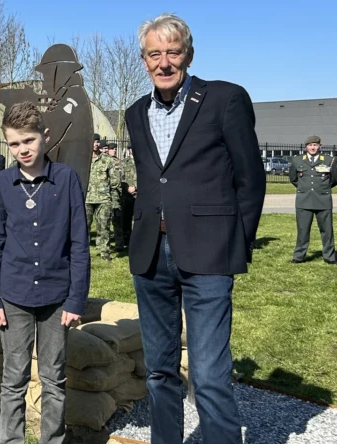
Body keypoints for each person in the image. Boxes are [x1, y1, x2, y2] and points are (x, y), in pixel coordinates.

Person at [125, 14, 265, 443]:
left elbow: (251, 178)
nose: (163, 62)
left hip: (208, 254)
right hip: (151, 257)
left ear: (189, 53)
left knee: (208, 373)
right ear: (144, 59)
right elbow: (155, 179)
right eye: (154, 53)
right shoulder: (135, 113)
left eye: (173, 52)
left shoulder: (225, 99)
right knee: (159, 370)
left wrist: (235, 243)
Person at [0, 101, 88, 444]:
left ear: (45, 136)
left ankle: (52, 440)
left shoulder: (66, 179)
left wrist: (76, 299)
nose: (22, 150)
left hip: (57, 297)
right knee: (13, 379)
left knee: (54, 378)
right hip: (14, 296)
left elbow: (79, 244)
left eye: (28, 141)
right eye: (14, 144)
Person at [289, 135, 336, 264]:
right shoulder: (297, 160)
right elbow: (293, 178)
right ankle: (299, 256)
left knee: (327, 231)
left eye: (315, 145)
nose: (312, 147)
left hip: (323, 200)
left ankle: (330, 256)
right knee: (303, 230)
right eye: (310, 145)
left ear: (320, 146)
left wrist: (321, 188)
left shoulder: (329, 160)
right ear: (306, 147)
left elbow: (334, 179)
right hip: (304, 200)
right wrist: (305, 189)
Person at [85, 136, 115, 261]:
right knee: (83, 226)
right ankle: (83, 252)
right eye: (93, 141)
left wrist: (113, 197)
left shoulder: (107, 160)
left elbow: (114, 180)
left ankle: (105, 252)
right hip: (86, 198)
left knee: (104, 226)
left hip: (103, 199)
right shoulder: (83, 158)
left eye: (97, 142)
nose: (96, 144)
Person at [107, 143, 125, 251]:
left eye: (115, 149)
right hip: (105, 194)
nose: (114, 151)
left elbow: (122, 177)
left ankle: (119, 244)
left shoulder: (119, 162)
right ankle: (106, 244)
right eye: (111, 149)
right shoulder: (105, 161)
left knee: (117, 219)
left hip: (116, 195)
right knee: (104, 221)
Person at [121, 146, 137, 245]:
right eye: (131, 148)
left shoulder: (142, 161)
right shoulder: (123, 163)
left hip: (140, 194)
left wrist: (136, 187)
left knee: (138, 219)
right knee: (126, 218)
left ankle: (137, 239)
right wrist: (127, 188)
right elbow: (119, 177)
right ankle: (126, 240)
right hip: (127, 195)